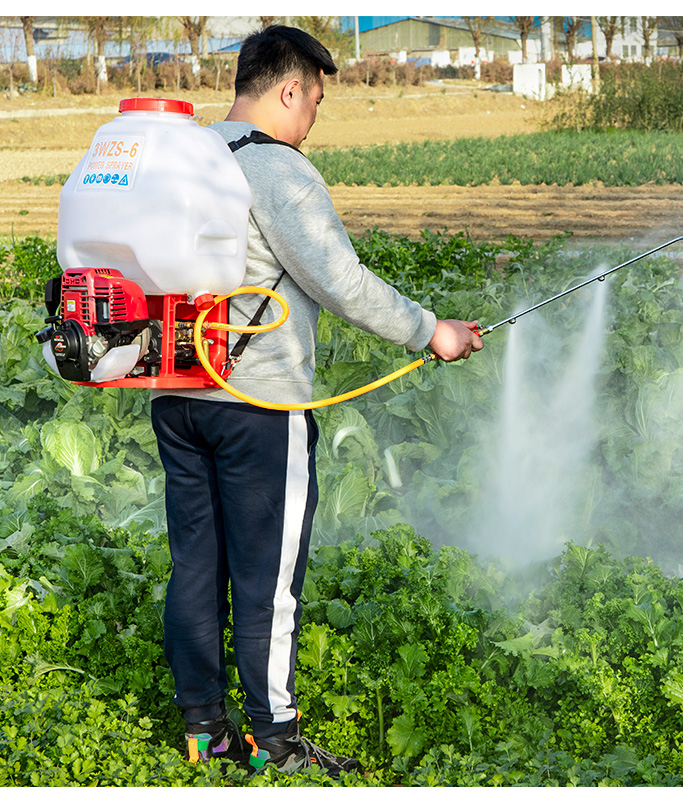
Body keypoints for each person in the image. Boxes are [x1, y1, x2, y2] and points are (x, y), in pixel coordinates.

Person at [149, 24, 483, 777]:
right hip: (257, 403)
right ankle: (276, 737)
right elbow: (342, 279)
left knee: (195, 564)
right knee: (268, 575)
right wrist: (433, 332)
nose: (312, 121)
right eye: (315, 102)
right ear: (289, 89)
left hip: (175, 392)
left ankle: (205, 731)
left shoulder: (184, 154)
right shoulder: (277, 169)